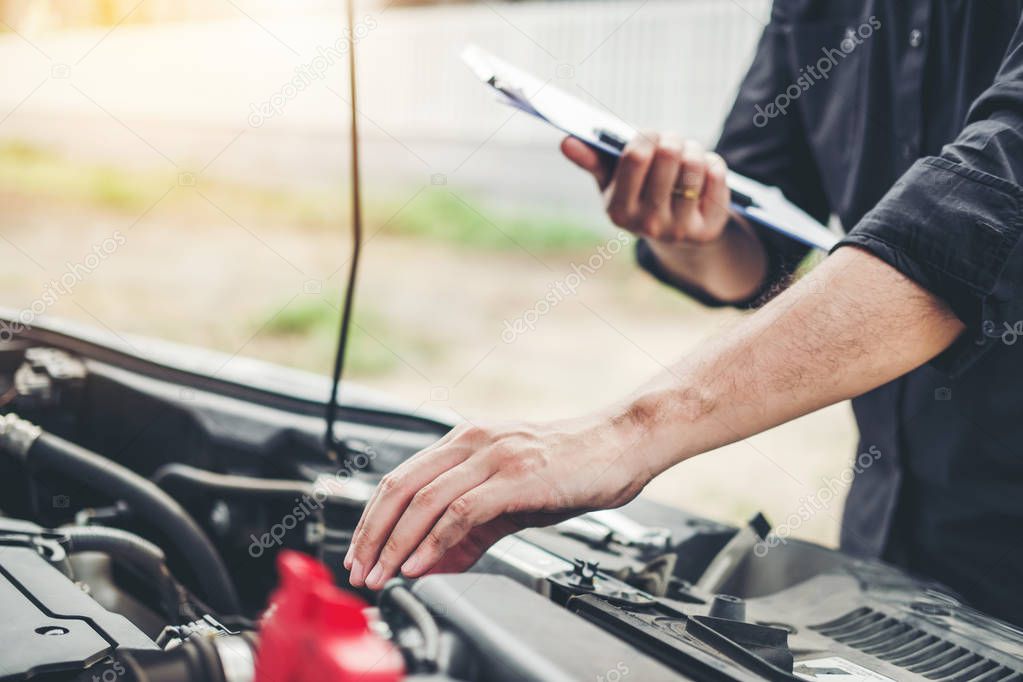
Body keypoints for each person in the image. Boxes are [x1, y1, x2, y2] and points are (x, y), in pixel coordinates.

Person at [346, 1, 1023, 625]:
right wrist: (683, 230)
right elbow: (754, 257)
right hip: (887, 537)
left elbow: (981, 221)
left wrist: (624, 434)